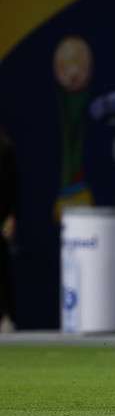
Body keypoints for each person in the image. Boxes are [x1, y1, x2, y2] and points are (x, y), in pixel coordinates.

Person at [0, 128, 17, 332]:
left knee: (2, 268)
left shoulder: (4, 147)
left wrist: (12, 216)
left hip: (2, 216)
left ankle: (6, 317)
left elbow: (13, 185)